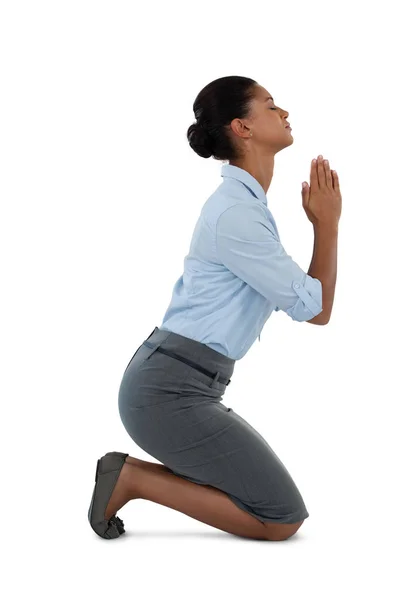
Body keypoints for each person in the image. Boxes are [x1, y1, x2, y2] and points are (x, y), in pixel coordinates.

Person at [88, 76, 341, 542]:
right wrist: (327, 225)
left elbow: (309, 303)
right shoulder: (236, 214)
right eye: (270, 105)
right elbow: (314, 309)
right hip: (168, 393)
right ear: (242, 127)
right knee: (279, 517)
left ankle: (132, 477)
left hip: (182, 383)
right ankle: (133, 479)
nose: (284, 112)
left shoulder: (246, 206)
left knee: (277, 511)